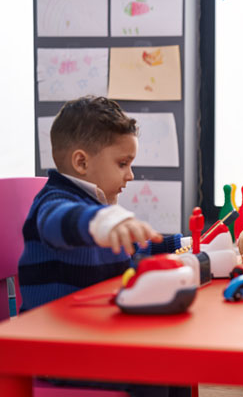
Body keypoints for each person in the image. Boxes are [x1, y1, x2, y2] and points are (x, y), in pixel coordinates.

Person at [18, 96, 191, 397]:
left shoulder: (98, 208)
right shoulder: (55, 202)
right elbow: (61, 222)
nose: (130, 175)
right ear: (82, 162)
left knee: (173, 361)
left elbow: (132, 248)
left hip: (93, 333)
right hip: (57, 349)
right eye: (122, 164)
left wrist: (182, 245)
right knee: (152, 372)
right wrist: (101, 222)